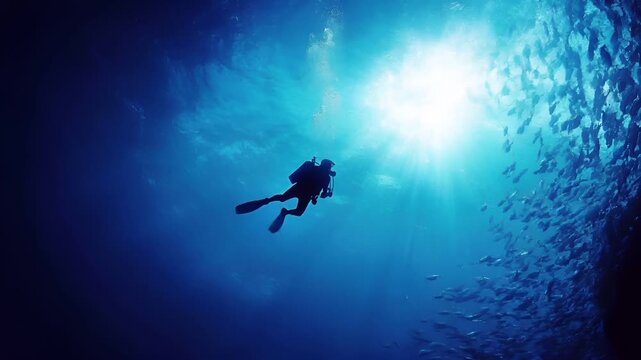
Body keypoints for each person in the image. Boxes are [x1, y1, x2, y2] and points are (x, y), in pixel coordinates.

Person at [235, 158, 336, 233]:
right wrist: (327, 194)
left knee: (284, 199)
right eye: (330, 166)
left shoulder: (316, 170)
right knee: (297, 210)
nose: (330, 168)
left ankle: (268, 201)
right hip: (305, 192)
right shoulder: (325, 177)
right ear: (327, 165)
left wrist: (325, 194)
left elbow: (321, 193)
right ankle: (284, 211)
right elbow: (323, 194)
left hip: (300, 188)